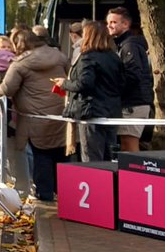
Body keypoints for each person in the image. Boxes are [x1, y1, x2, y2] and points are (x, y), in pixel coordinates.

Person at [0, 28, 69, 201]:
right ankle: (65, 194)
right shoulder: (59, 56)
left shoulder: (19, 64)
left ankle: (45, 196)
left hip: (35, 116)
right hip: (60, 113)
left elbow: (6, 89)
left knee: (41, 155)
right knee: (60, 155)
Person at [52, 20, 122, 163]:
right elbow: (122, 82)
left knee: (91, 157)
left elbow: (84, 83)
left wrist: (64, 83)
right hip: (111, 112)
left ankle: (95, 184)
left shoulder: (87, 57)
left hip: (91, 111)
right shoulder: (114, 57)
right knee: (110, 157)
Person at [106, 6, 153, 153]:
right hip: (133, 102)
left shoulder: (129, 45)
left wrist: (114, 89)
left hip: (134, 103)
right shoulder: (125, 44)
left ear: (125, 24)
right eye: (108, 23)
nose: (109, 26)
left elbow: (132, 75)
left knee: (129, 144)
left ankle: (134, 175)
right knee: (126, 144)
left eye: (113, 22)